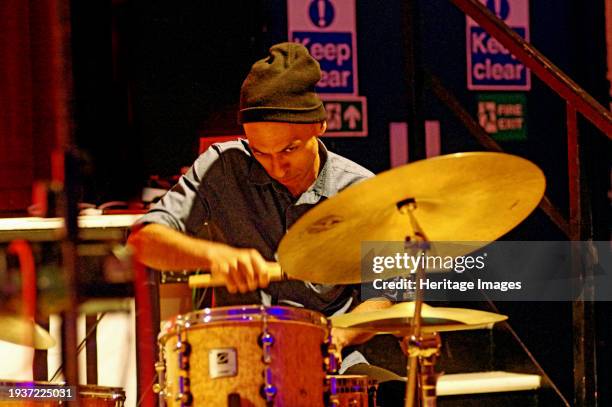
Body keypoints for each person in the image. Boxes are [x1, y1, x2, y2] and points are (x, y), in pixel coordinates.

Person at [128, 42, 395, 360]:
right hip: (237, 357)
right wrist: (214, 255)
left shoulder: (361, 190)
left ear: (320, 126)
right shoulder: (223, 166)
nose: (276, 167)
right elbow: (144, 240)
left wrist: (334, 337)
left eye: (289, 149)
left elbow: (386, 295)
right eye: (260, 153)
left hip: (329, 356)